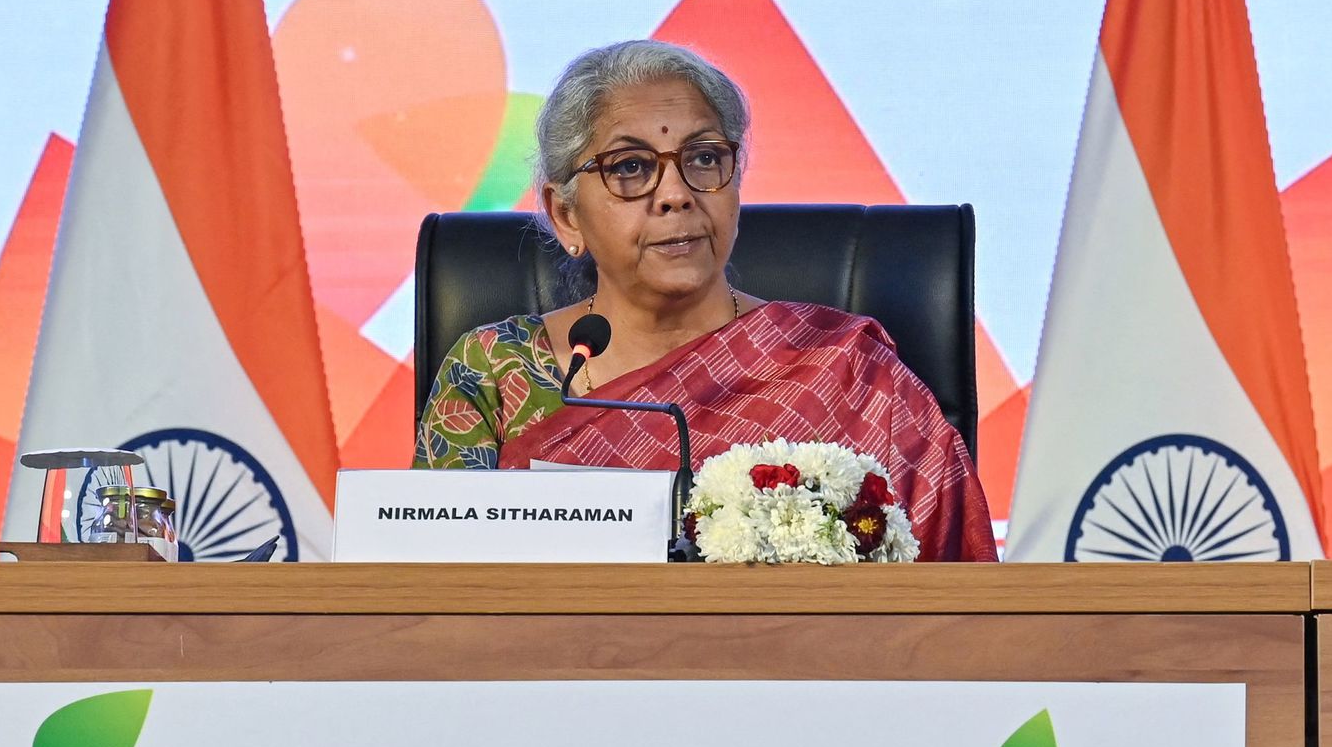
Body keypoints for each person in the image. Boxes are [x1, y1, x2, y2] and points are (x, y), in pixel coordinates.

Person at [419, 40, 996, 560]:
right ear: (566, 214)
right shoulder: (495, 372)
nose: (676, 194)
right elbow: (430, 592)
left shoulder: (847, 371)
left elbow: (953, 604)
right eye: (630, 168)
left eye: (703, 158)